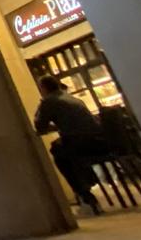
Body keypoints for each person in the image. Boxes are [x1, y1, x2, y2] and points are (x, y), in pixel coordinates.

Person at [33, 77, 102, 213]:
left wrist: (41, 106)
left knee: (60, 155)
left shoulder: (49, 101)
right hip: (97, 142)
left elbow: (40, 125)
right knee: (65, 150)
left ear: (43, 88)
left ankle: (84, 194)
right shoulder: (73, 98)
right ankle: (89, 180)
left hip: (79, 144)